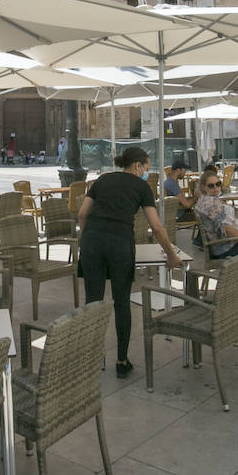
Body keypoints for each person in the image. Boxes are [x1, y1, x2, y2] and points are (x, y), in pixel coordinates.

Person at [77, 146, 185, 377]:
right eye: (145, 168)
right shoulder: (142, 186)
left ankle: (90, 360)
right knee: (121, 302)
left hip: (92, 242)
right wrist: (171, 254)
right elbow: (156, 226)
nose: (146, 172)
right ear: (137, 166)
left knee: (92, 301)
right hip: (119, 244)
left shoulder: (102, 180)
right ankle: (122, 361)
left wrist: (87, 240)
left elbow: (82, 214)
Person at [194, 170, 238, 259]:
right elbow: (227, 230)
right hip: (227, 247)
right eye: (211, 186)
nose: (216, 188)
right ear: (203, 187)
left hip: (228, 243)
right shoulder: (210, 204)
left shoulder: (207, 200)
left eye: (218, 184)